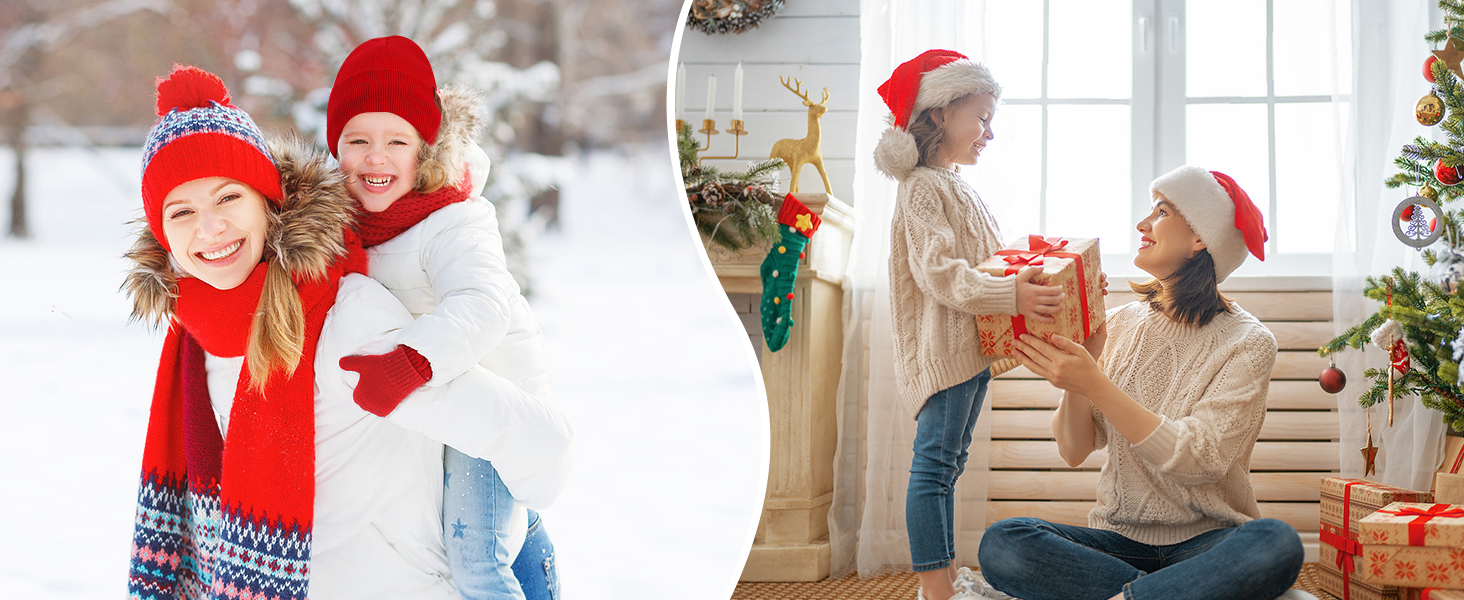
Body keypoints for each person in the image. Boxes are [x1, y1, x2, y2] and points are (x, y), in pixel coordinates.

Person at [123, 65, 572, 600]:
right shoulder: (193, 337)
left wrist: (514, 531)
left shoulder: (342, 317)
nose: (209, 228)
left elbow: (540, 442)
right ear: (162, 232)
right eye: (182, 210)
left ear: (268, 202)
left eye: (228, 198)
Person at [977, 166, 1309, 600]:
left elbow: (1199, 460)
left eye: (1162, 211)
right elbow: (1074, 451)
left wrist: (1096, 384)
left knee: (1274, 543)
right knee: (1004, 541)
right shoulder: (1118, 323)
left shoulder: (1248, 342)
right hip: (1117, 542)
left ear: (1199, 238)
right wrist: (1086, 367)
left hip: (1206, 543)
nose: (1142, 224)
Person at [322, 35, 556, 600]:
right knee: (485, 538)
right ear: (337, 149)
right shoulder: (348, 225)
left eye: (396, 140)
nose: (376, 157)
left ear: (424, 150)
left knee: (475, 558)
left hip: (491, 405)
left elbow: (483, 304)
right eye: (358, 140)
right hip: (441, 404)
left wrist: (407, 364)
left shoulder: (454, 219)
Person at [872, 49, 1067, 600]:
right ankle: (935, 587)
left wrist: (1031, 274)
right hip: (944, 350)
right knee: (934, 464)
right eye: (981, 118)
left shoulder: (955, 185)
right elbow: (939, 273)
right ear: (938, 114)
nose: (989, 132)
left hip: (969, 349)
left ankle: (945, 576)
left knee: (948, 463)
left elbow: (983, 262)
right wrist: (1013, 292)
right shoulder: (921, 187)